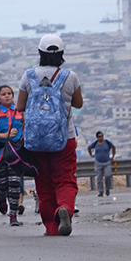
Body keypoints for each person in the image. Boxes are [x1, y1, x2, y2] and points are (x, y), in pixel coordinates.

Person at [16, 34, 83, 236]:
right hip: (64, 137)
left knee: (43, 181)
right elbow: (78, 104)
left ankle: (51, 227)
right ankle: (64, 207)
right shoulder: (70, 77)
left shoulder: (28, 76)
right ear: (62, 54)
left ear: (39, 53)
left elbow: (20, 106)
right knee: (65, 178)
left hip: (36, 140)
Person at [0, 85, 25, 226]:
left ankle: (13, 215)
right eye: (4, 94)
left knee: (15, 184)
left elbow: (24, 125)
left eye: (9, 93)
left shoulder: (18, 111)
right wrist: (4, 135)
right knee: (3, 184)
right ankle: (2, 198)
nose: (7, 96)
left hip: (15, 153)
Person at [88, 130, 116, 196]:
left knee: (107, 176)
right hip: (98, 163)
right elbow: (89, 148)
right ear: (97, 137)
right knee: (99, 178)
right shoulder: (95, 144)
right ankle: (100, 191)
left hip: (107, 162)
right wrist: (91, 155)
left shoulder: (107, 142)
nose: (101, 137)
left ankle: (107, 189)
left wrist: (113, 156)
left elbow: (113, 147)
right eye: (99, 136)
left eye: (102, 136)